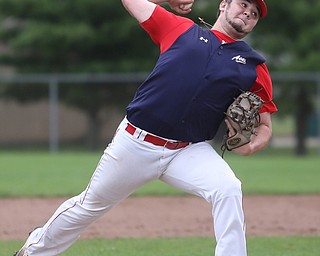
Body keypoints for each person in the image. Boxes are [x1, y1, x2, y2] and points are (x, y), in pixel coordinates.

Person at [15, 0, 277, 255]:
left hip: (188, 150)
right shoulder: (180, 29)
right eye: (244, 4)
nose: (248, 13)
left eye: (254, 13)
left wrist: (253, 144)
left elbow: (265, 124)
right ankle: (34, 251)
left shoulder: (254, 66)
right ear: (223, 5)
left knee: (228, 188)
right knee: (89, 206)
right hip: (136, 143)